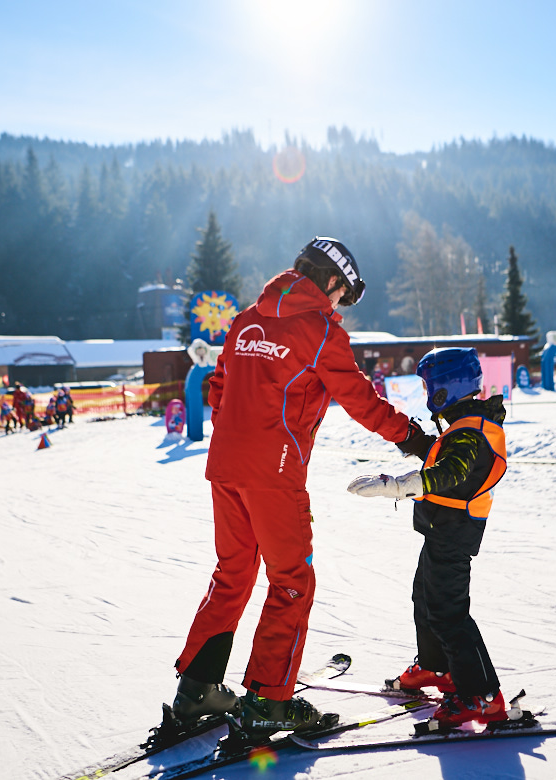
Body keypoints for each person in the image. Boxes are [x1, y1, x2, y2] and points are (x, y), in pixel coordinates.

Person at [171, 236, 433, 738]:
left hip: (225, 467)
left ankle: (197, 688)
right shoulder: (318, 331)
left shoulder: (245, 319)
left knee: (233, 573)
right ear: (331, 281)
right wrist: (412, 437)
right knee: (292, 579)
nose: (339, 306)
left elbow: (219, 386)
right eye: (342, 296)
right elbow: (359, 398)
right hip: (273, 472)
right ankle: (269, 699)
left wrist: (238, 437)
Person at [347, 347, 511, 730]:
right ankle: (438, 669)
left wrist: (399, 486)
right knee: (426, 598)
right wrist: (414, 442)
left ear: (445, 389)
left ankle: (482, 696)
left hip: (455, 532)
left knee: (449, 612)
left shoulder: (471, 430)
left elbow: (452, 472)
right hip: (443, 530)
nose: (425, 393)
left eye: (428, 386)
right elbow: (443, 455)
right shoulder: (463, 425)